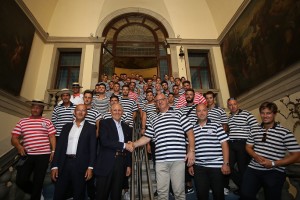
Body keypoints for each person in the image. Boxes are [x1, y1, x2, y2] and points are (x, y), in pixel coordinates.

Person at [130, 93, 195, 200]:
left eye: (162, 99)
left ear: (167, 100)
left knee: (178, 192)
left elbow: (190, 132)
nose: (160, 102)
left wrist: (191, 151)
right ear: (155, 104)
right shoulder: (153, 119)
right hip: (161, 161)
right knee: (162, 193)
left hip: (177, 160)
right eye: (157, 101)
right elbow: (147, 137)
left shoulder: (178, 113)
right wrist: (134, 144)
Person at [241, 102, 300, 200]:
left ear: (274, 114)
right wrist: (255, 156)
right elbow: (248, 147)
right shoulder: (254, 130)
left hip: (274, 171)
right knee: (245, 195)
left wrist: (273, 163)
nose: (265, 116)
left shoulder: (285, 132)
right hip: (253, 169)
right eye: (263, 113)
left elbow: (296, 155)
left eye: (268, 113)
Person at [11, 99, 56, 200]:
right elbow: (14, 137)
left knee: (38, 180)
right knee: (20, 180)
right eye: (33, 107)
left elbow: (52, 136)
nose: (35, 109)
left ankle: (36, 195)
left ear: (42, 109)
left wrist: (53, 151)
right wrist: (19, 146)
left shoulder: (46, 121)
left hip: (44, 155)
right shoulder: (22, 121)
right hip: (28, 155)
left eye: (38, 107)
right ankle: (37, 192)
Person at [51, 104, 97, 199]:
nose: (80, 112)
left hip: (81, 165)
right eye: (78, 110)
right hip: (64, 164)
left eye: (83, 110)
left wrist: (90, 167)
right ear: (74, 112)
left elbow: (93, 149)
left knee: (78, 193)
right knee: (59, 193)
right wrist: (54, 166)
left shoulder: (91, 128)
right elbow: (59, 147)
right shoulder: (66, 127)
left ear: (86, 113)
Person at [188, 104, 230, 200]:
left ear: (207, 111)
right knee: (201, 195)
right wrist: (190, 164)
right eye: (199, 111)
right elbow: (190, 146)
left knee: (218, 194)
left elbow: (224, 144)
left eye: (203, 110)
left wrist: (226, 163)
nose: (201, 113)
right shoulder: (192, 129)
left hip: (216, 166)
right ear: (196, 113)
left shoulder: (216, 125)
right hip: (199, 167)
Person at [94, 103, 133, 200]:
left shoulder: (127, 127)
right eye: (115, 110)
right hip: (106, 162)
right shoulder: (104, 123)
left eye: (119, 110)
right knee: (101, 194)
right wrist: (124, 145)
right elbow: (105, 141)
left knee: (116, 194)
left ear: (122, 112)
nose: (117, 112)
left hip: (121, 163)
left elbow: (128, 149)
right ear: (110, 112)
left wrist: (128, 165)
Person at [227, 97, 259, 193]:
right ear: (228, 106)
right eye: (230, 105)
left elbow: (256, 128)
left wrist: (251, 143)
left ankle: (246, 190)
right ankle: (243, 187)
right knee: (228, 166)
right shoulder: (229, 117)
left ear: (238, 104)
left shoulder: (247, 114)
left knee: (242, 168)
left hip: (243, 144)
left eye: (234, 104)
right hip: (231, 144)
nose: (232, 106)